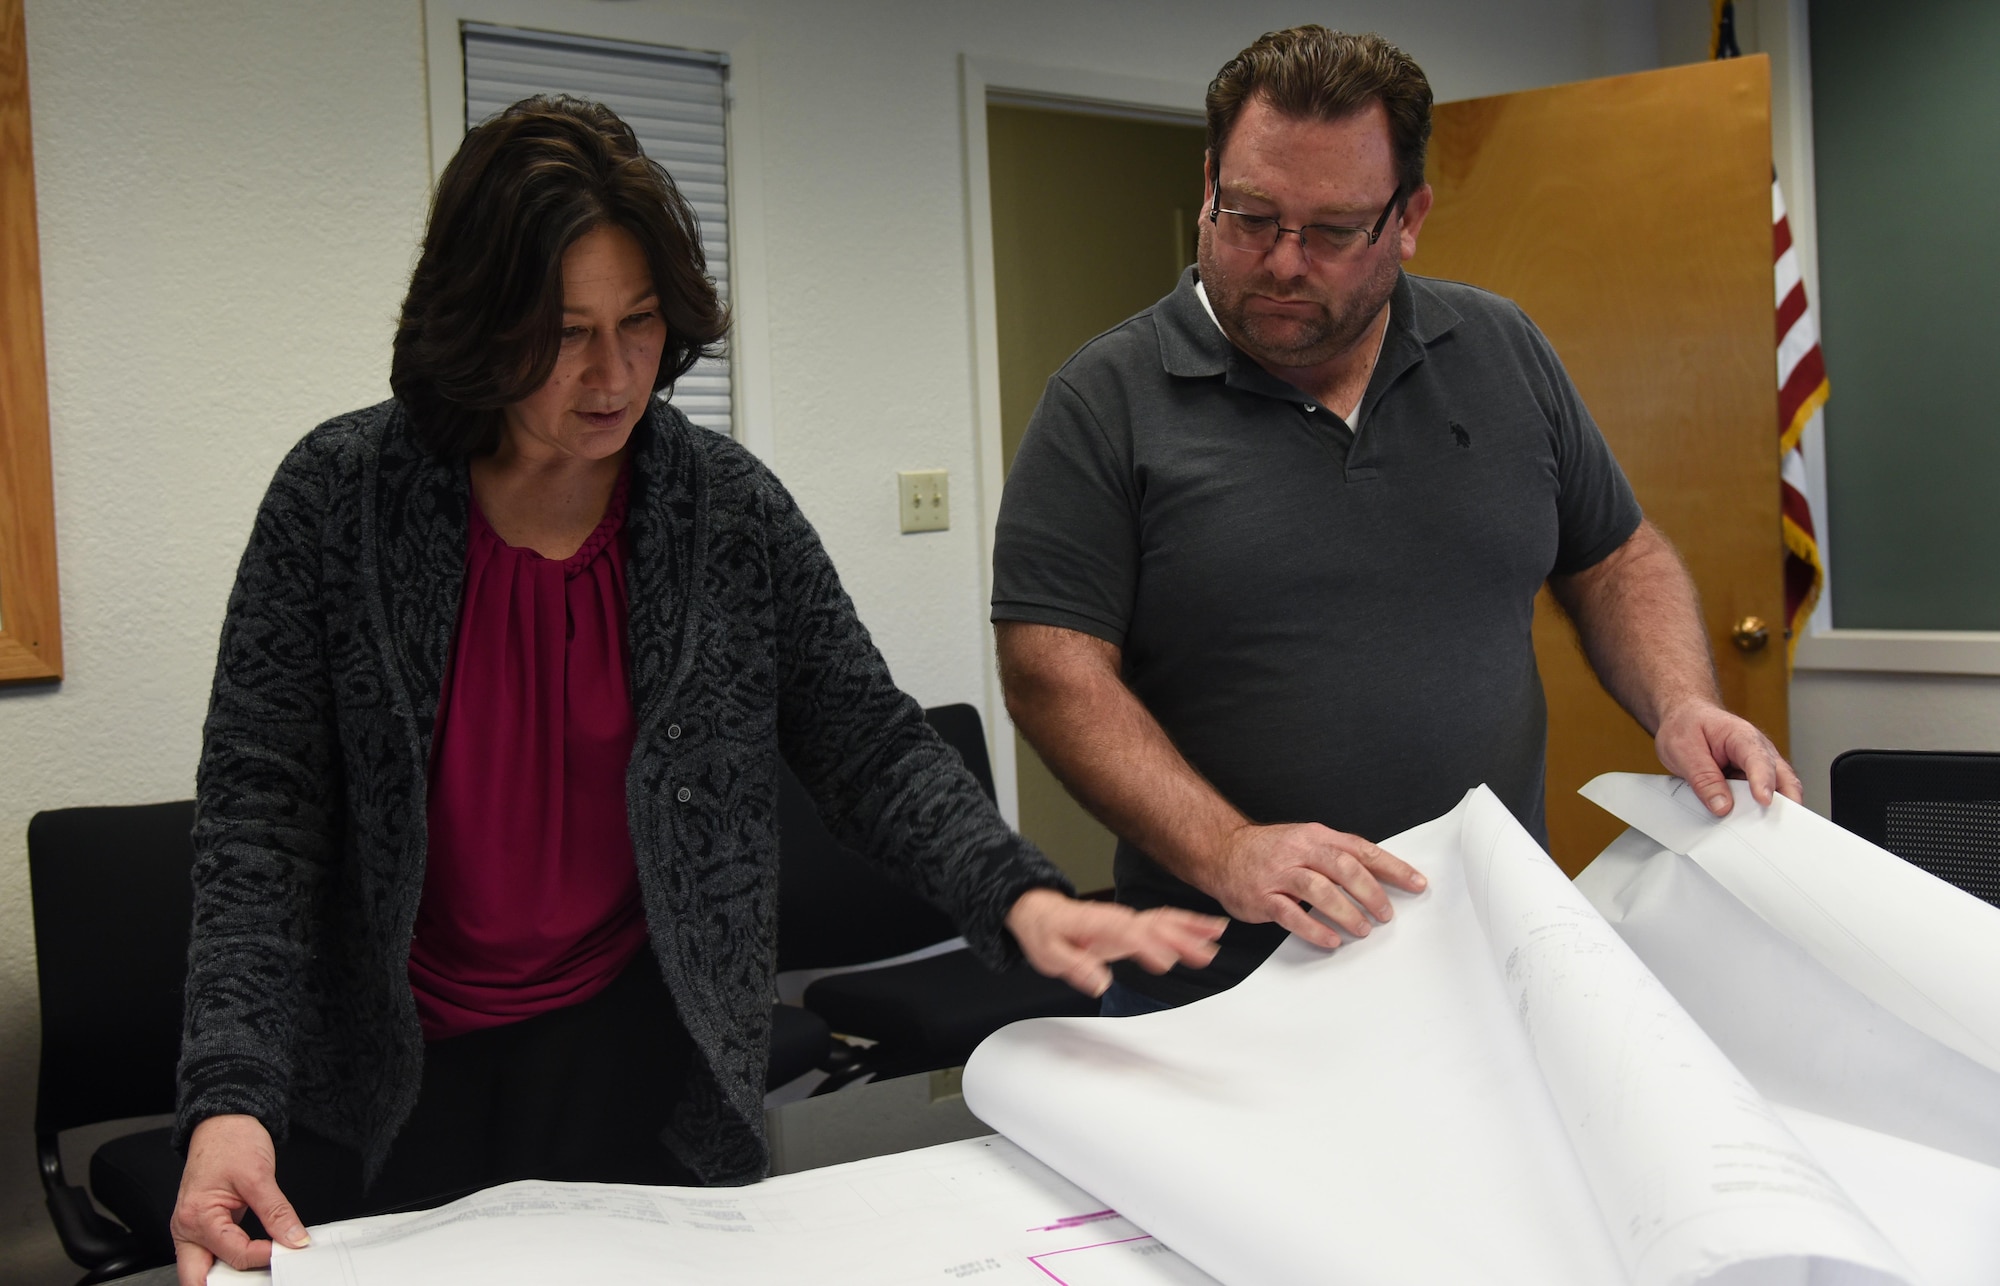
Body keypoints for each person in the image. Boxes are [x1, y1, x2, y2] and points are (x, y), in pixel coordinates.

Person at [170, 95, 1223, 1285]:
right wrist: (230, 1094)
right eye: (563, 331)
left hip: (642, 1055)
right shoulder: (336, 499)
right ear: (478, 321)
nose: (614, 372)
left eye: (638, 320)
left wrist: (1018, 897)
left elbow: (866, 739)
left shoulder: (724, 510)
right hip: (383, 1076)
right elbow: (261, 822)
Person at [990, 27, 1802, 1018]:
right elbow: (1051, 667)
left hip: (1492, 957)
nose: (1282, 261)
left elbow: (1613, 554)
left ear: (1407, 217)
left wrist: (1677, 701)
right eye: (1248, 216)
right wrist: (1225, 847)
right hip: (1230, 989)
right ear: (1207, 183)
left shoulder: (1499, 347)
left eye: (1332, 230)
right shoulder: (1103, 398)